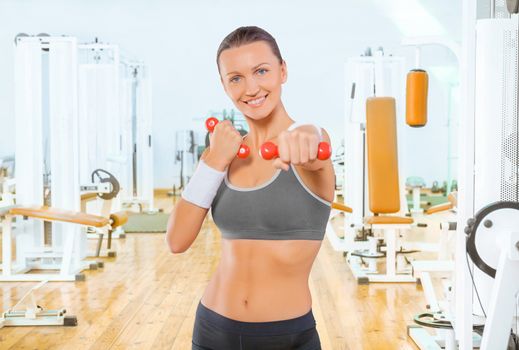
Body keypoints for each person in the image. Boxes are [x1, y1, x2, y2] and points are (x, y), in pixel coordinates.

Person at [166, 26, 335, 350]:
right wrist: (214, 160)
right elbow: (176, 241)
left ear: (282, 71)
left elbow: (313, 142)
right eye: (236, 78)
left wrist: (307, 133)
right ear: (224, 84)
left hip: (288, 337)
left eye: (261, 71)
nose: (251, 88)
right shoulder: (222, 156)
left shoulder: (306, 144)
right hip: (213, 330)